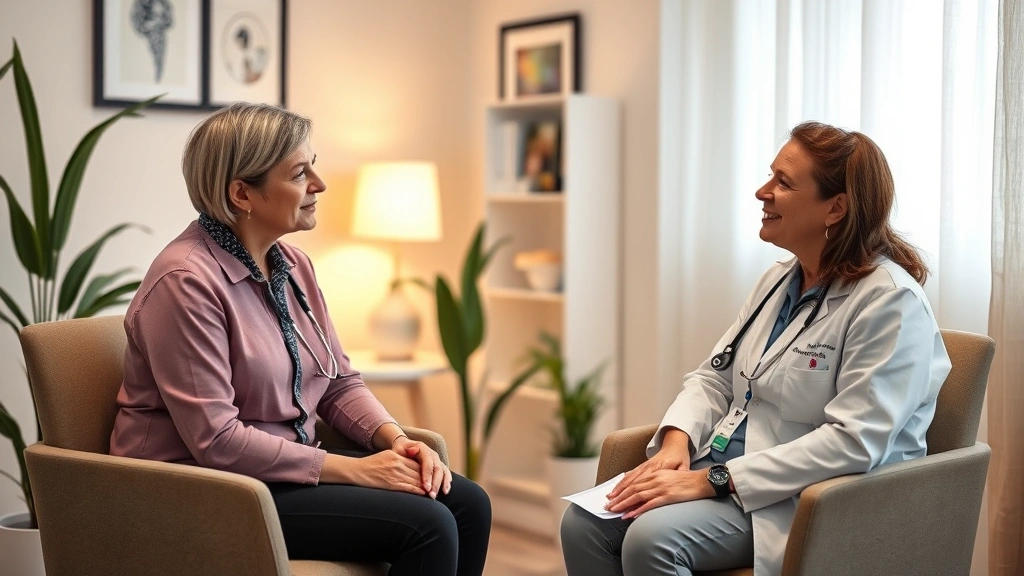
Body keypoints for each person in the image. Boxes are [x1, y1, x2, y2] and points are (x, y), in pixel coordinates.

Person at [109, 102, 491, 576]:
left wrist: (393, 440)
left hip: (279, 474)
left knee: (468, 503)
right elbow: (218, 441)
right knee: (428, 524)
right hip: (200, 487)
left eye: (315, 166)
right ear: (242, 193)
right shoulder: (185, 282)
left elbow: (337, 382)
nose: (319, 185)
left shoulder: (293, 267)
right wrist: (356, 469)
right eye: (299, 173)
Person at [560, 121, 952, 576]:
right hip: (724, 470)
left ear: (835, 208)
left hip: (801, 496)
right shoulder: (778, 281)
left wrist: (715, 480)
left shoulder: (889, 302)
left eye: (783, 182)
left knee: (652, 540)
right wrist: (676, 441)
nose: (762, 192)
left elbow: (854, 441)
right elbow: (714, 376)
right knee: (583, 524)